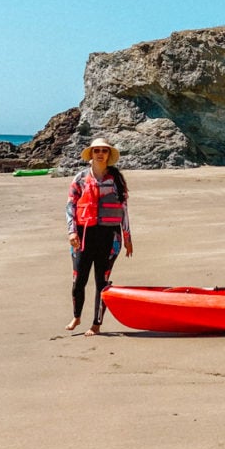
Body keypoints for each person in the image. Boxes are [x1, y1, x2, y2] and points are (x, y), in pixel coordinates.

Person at [65, 138, 133, 336]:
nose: (100, 154)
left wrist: (127, 238)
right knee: (79, 279)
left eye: (104, 150)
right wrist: (71, 231)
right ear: (91, 155)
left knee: (102, 281)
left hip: (109, 237)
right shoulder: (80, 179)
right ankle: (77, 316)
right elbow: (70, 207)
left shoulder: (117, 181)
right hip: (83, 234)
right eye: (97, 151)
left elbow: (124, 210)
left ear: (108, 155)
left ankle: (96, 323)